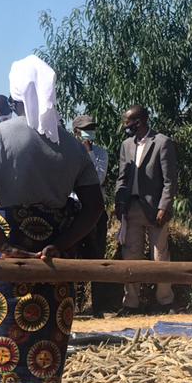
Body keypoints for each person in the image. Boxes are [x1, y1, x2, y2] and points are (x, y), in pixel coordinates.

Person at [0, 55, 103, 383]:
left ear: (15, 92)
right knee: (47, 341)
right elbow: (95, 206)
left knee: (4, 338)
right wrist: (62, 242)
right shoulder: (71, 144)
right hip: (53, 253)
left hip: (6, 253)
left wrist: (1, 241)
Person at [113, 106, 177, 315]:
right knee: (131, 255)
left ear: (139, 122)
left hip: (156, 209)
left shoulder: (162, 142)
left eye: (128, 122)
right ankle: (131, 302)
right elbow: (122, 177)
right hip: (132, 208)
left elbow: (170, 180)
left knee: (160, 255)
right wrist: (119, 203)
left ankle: (165, 301)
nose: (125, 126)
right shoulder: (125, 145)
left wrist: (164, 206)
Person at [72, 114, 110, 317]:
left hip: (95, 210)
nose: (90, 131)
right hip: (73, 209)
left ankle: (98, 306)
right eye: (86, 128)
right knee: (73, 255)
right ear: (76, 132)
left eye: (92, 127)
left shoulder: (101, 153)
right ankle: (76, 304)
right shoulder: (68, 152)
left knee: (97, 255)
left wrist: (88, 154)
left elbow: (98, 178)